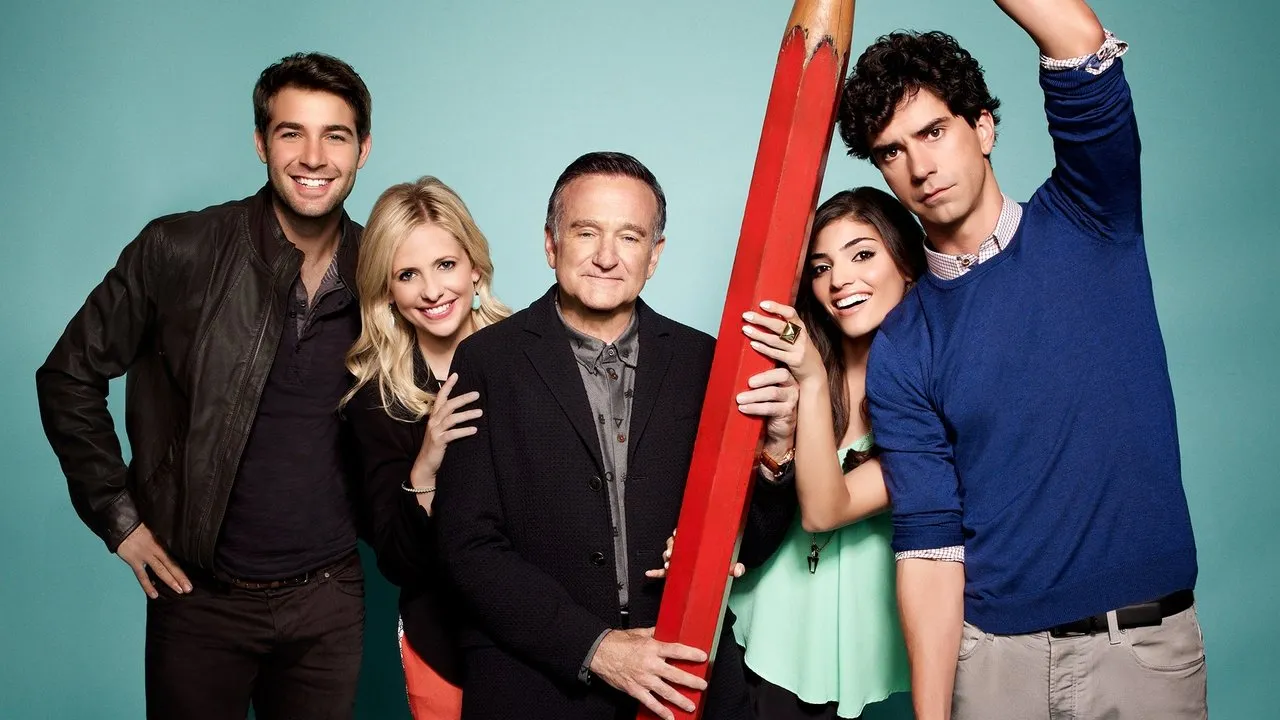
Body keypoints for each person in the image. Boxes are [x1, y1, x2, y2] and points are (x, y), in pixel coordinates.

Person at [836, 2, 1204, 718]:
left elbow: (1078, 40)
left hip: (1141, 649)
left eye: (933, 131)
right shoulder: (905, 342)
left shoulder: (1090, 214)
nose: (920, 166)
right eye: (891, 152)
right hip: (996, 663)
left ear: (982, 127)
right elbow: (930, 547)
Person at [35, 52, 373, 719]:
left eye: (334, 135)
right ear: (261, 144)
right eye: (291, 132)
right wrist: (119, 518)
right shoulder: (178, 249)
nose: (313, 157)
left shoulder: (384, 270)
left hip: (329, 600)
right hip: (199, 598)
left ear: (362, 149)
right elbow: (69, 373)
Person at [433, 151, 799, 720]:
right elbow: (467, 547)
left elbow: (744, 546)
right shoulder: (487, 361)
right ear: (551, 244)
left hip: (687, 672)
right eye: (586, 232)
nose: (607, 256)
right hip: (536, 683)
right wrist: (597, 649)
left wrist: (776, 452)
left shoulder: (705, 361)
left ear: (655, 255)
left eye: (629, 237)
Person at [725, 187, 924, 719]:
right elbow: (746, 507)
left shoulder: (934, 394)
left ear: (906, 264)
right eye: (821, 267)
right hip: (758, 628)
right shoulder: (789, 372)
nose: (839, 281)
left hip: (870, 644)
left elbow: (823, 511)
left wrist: (811, 378)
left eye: (863, 254)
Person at [342, 176, 510, 720]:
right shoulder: (376, 400)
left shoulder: (528, 353)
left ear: (474, 267)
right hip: (443, 642)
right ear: (387, 291)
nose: (432, 290)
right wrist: (428, 461)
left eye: (445, 264)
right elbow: (397, 560)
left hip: (549, 636)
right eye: (407, 275)